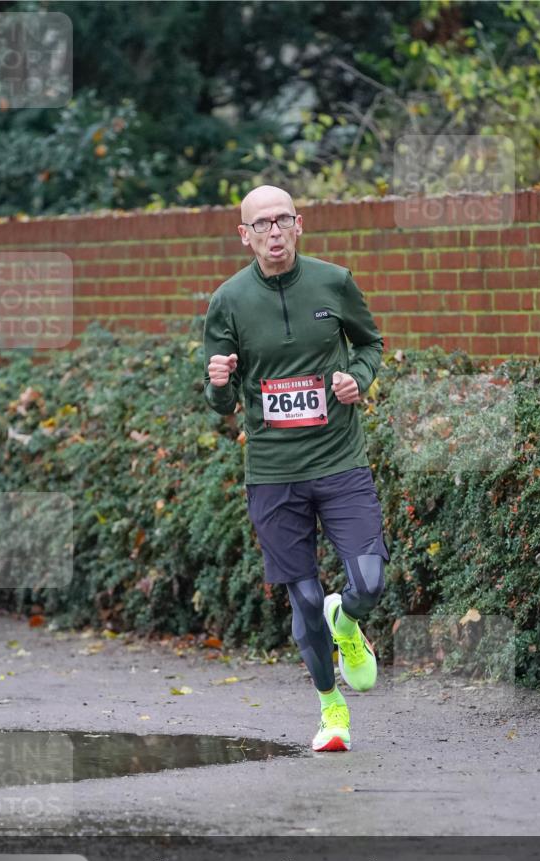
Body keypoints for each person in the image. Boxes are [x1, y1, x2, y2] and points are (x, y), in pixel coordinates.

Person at [203, 184, 390, 752]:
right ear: (245, 236)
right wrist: (218, 382)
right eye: (261, 225)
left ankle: (347, 622)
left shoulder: (334, 281)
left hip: (340, 462)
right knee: (304, 597)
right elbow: (221, 399)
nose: (274, 233)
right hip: (273, 472)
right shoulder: (228, 301)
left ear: (299, 224)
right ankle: (332, 709)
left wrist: (358, 378)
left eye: (283, 220)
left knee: (369, 581)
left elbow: (371, 344)